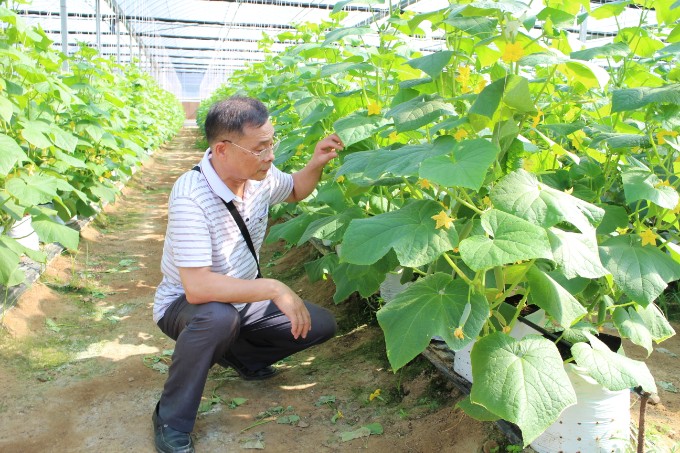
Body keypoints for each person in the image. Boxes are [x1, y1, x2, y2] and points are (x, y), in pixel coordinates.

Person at [151, 95, 344, 453]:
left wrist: (316, 162)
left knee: (319, 324)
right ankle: (170, 418)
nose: (270, 155)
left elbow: (297, 189)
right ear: (223, 150)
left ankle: (241, 357)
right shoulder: (190, 196)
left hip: (241, 298)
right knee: (216, 317)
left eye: (272, 142)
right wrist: (272, 287)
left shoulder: (259, 176)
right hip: (186, 306)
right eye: (261, 148)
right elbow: (196, 287)